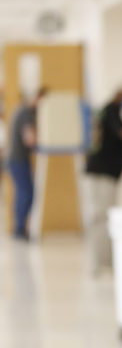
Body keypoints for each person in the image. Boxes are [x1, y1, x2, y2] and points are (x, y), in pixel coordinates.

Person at [85, 86, 122, 273]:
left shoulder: (109, 110)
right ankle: (100, 261)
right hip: (103, 173)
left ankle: (104, 260)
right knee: (101, 216)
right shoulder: (112, 110)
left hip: (105, 172)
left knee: (103, 215)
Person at [6, 88, 47, 240]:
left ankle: (20, 228)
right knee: (26, 193)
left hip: (16, 159)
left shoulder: (21, 110)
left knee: (24, 193)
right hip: (18, 160)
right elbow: (30, 139)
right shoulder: (26, 113)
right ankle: (20, 229)